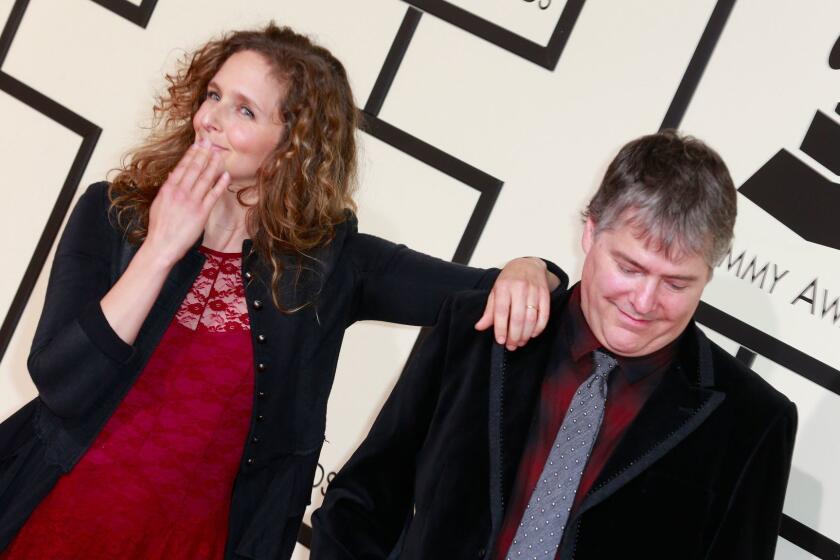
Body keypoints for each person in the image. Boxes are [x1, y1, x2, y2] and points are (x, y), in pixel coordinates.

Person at [0, 23, 561, 560]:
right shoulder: (113, 213)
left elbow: (495, 291)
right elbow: (59, 383)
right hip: (48, 514)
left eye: (244, 110)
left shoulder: (335, 263)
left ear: (294, 145)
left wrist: (535, 267)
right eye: (213, 95)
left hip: (197, 543)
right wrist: (160, 249)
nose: (210, 119)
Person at [311, 130, 798, 559]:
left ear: (708, 276)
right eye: (629, 268)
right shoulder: (479, 329)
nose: (644, 301)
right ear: (590, 233)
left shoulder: (752, 423)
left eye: (676, 284)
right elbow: (362, 502)